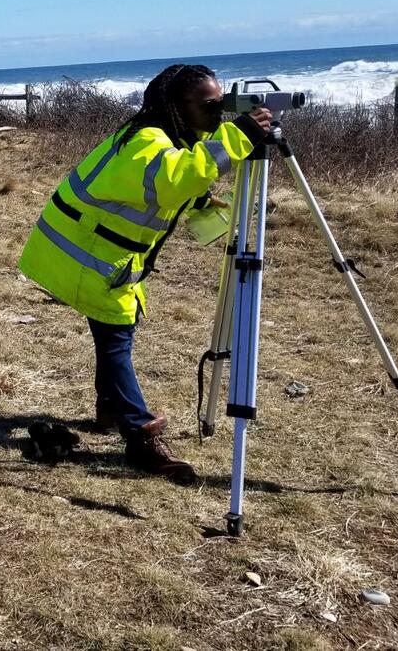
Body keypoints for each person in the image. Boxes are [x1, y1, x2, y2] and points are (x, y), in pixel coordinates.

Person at [17, 64, 272, 484]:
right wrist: (241, 134)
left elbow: (164, 186)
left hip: (99, 253)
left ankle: (111, 407)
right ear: (176, 106)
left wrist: (201, 202)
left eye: (222, 105)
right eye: (210, 106)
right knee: (116, 339)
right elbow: (172, 179)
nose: (218, 114)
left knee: (119, 329)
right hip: (84, 254)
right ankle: (140, 435)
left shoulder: (164, 138)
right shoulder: (145, 142)